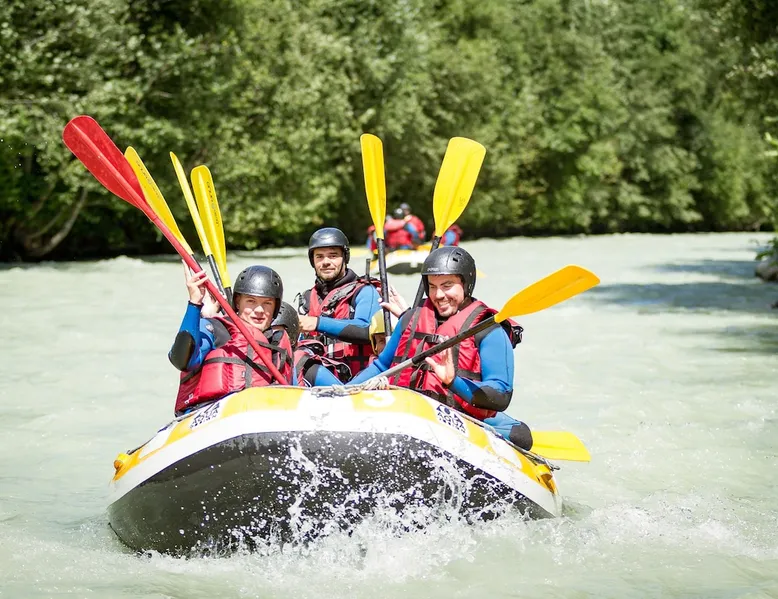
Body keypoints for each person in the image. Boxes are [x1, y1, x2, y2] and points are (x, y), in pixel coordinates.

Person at [349, 246, 533, 449]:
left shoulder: (489, 330)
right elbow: (382, 366)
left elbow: (500, 395)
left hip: (458, 418)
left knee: (521, 436)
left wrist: (453, 381)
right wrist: (346, 392)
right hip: (406, 410)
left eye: (447, 285)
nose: (438, 295)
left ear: (466, 284)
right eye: (432, 286)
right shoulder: (411, 318)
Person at [169, 265, 294, 415]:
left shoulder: (277, 346)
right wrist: (195, 303)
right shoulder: (218, 329)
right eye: (251, 301)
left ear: (275, 307)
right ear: (238, 303)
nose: (259, 310)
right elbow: (182, 360)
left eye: (267, 303)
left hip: (260, 416)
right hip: (210, 415)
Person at [296, 227, 381, 381]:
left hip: (358, 380)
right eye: (319, 257)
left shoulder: (365, 291)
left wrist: (317, 323)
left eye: (333, 256)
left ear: (344, 258)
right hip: (320, 378)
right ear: (312, 261)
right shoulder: (307, 298)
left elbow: (366, 330)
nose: (326, 262)